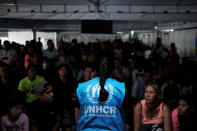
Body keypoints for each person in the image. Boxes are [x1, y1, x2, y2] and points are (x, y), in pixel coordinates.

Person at [75, 56, 129, 131]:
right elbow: (125, 117)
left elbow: (78, 114)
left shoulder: (82, 88)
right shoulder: (121, 89)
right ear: (113, 71)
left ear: (95, 71)